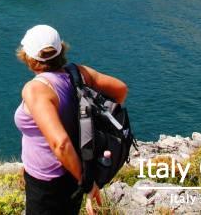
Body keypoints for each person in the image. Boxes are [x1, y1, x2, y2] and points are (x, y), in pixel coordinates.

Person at [14, 25, 129, 215]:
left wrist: (87, 183)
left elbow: (60, 144)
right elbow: (120, 90)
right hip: (74, 169)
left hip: (47, 183)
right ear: (61, 49)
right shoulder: (78, 73)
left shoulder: (35, 90)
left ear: (30, 57)